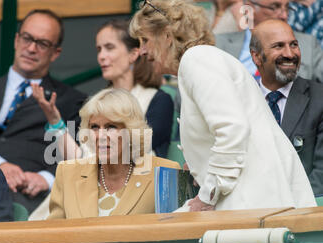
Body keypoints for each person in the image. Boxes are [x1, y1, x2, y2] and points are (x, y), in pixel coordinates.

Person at [129, 0, 316, 211]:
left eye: (145, 40)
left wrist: (208, 195)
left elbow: (232, 129)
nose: (142, 51)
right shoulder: (203, 59)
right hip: (257, 205)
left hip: (255, 207)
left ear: (166, 36)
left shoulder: (197, 59)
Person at [0, 9, 87, 214]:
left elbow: (79, 155)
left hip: (25, 195)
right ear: (16, 40)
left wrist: (47, 178)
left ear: (55, 53)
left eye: (42, 43)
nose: (31, 48)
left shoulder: (72, 101)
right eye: (27, 38)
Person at [34, 19, 174, 159]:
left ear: (133, 54)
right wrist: (55, 121)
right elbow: (81, 161)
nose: (101, 56)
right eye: (99, 49)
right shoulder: (96, 103)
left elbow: (137, 152)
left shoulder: (159, 100)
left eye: (109, 47)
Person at [47, 88, 180, 219]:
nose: (101, 136)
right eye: (94, 127)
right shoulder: (67, 173)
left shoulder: (166, 173)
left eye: (111, 127)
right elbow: (54, 234)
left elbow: (176, 233)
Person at [250, 19, 323, 195]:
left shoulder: (319, 99)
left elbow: (321, 176)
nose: (290, 54)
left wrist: (288, 210)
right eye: (278, 46)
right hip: (248, 208)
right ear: (256, 56)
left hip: (303, 210)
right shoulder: (241, 100)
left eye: (294, 45)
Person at [215, 0, 323, 82]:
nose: (284, 15)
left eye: (287, 8)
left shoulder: (308, 45)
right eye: (274, 7)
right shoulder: (219, 44)